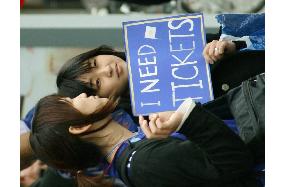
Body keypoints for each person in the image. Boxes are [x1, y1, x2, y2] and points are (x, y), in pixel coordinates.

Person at [30, 93, 258, 187]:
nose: (81, 94)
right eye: (70, 102)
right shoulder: (143, 161)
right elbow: (234, 164)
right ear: (79, 127)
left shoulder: (138, 153)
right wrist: (187, 120)